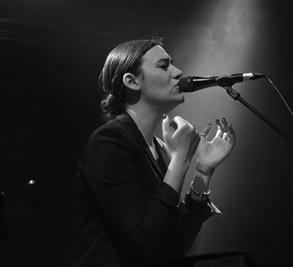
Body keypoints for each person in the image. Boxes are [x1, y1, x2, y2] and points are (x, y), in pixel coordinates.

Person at [75, 36, 236, 267]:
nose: (178, 72)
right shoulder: (109, 141)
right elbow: (141, 246)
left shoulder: (161, 149)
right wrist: (180, 158)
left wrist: (203, 171)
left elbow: (175, 244)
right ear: (132, 81)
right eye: (164, 65)